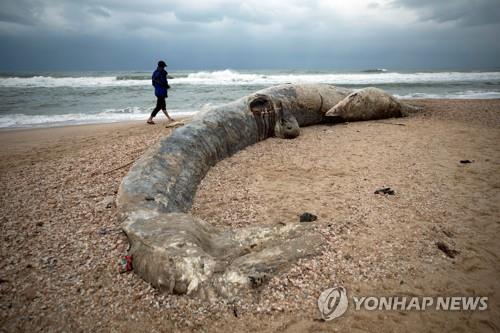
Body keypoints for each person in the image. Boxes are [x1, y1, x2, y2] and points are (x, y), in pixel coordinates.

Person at [147, 60, 174, 124]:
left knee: (163, 105)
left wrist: (157, 87)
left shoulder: (154, 72)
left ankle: (169, 118)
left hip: (157, 91)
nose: (164, 68)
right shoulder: (162, 72)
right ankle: (150, 119)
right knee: (159, 106)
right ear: (162, 66)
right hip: (161, 91)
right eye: (164, 66)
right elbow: (163, 82)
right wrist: (167, 86)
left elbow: (153, 83)